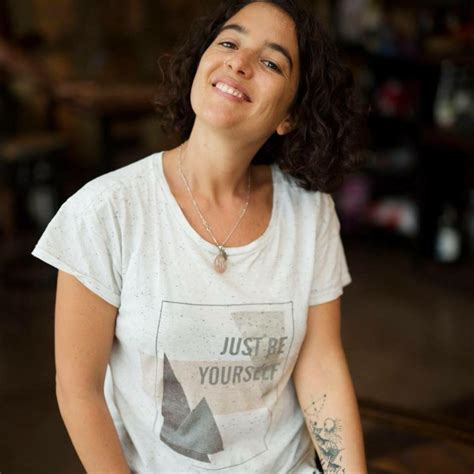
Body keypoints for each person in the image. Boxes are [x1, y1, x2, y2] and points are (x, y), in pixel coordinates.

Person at [31, 0, 368, 472]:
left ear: (289, 116)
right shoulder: (106, 212)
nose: (239, 62)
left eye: (271, 63)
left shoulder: (310, 213)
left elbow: (321, 366)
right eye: (228, 42)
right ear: (199, 66)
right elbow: (78, 389)